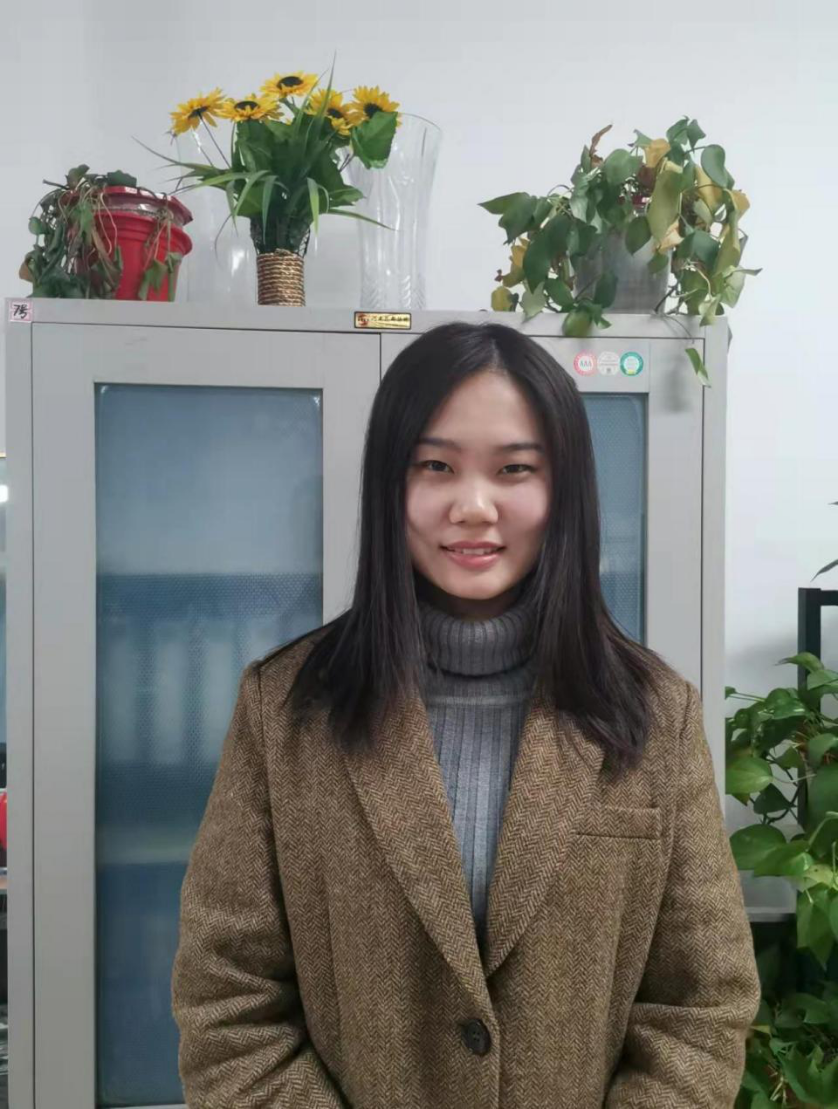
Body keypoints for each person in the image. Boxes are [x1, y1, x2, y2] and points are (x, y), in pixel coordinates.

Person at [171, 321, 762, 1108]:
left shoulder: (653, 715)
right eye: (436, 466)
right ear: (390, 485)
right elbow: (228, 1002)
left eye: (515, 468)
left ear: (564, 490)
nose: (474, 506)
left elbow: (701, 1004)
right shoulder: (286, 711)